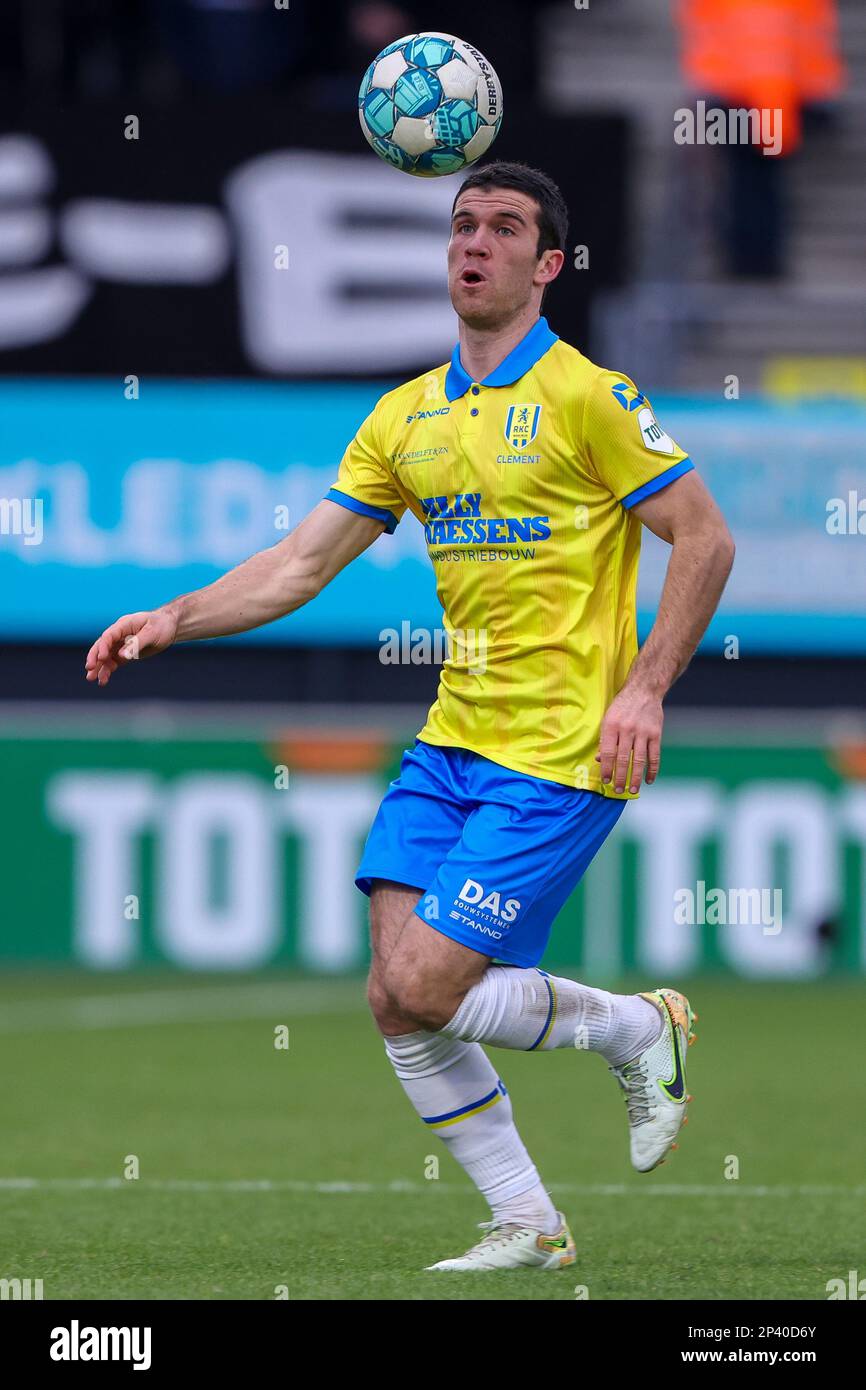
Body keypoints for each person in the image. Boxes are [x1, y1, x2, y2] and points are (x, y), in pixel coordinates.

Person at [85, 161, 735, 1273]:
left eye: (502, 229)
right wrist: (175, 616)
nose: (472, 244)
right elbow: (298, 564)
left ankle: (638, 1029)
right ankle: (527, 1222)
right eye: (460, 225)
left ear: (547, 266)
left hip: (562, 746)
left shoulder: (588, 396)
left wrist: (645, 686)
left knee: (430, 983)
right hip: (451, 742)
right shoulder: (406, 417)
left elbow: (704, 537)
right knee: (396, 1000)